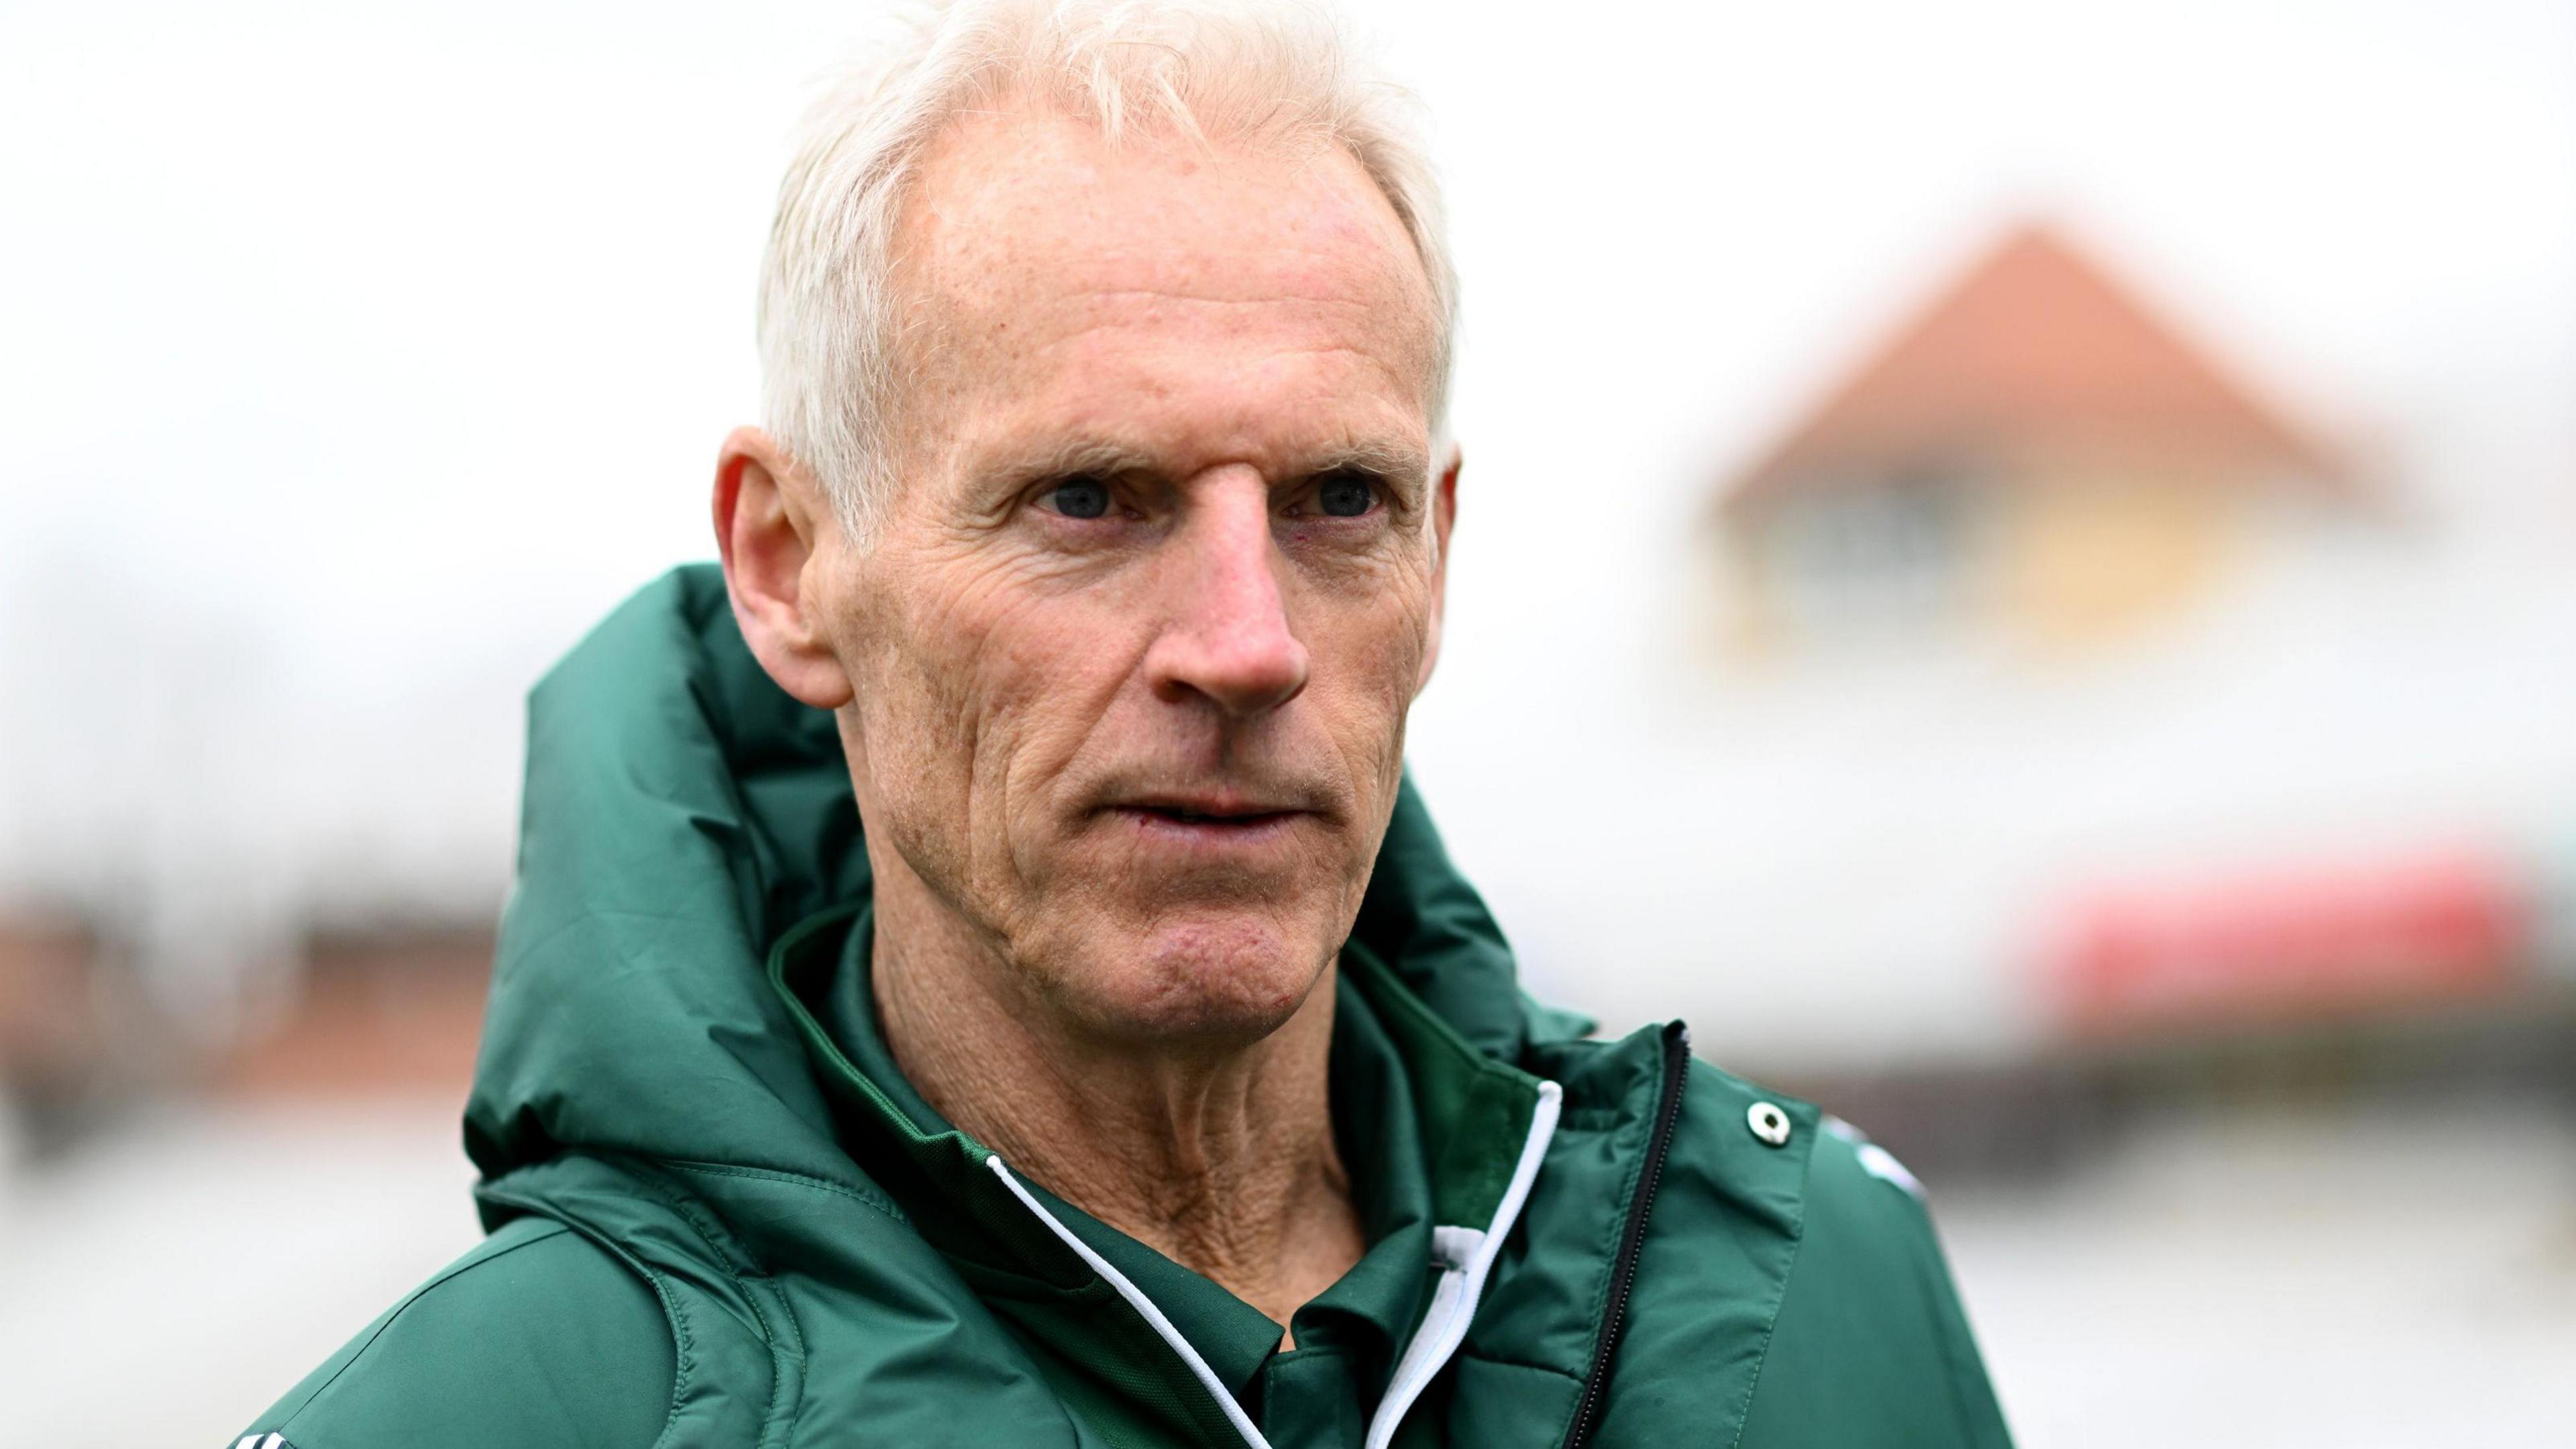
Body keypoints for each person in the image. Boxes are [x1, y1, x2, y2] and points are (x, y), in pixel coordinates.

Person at [233, 2, 2012, 1445]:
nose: (1249, 646)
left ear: (1445, 556)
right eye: (1089, 499)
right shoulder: (503, 1422)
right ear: (789, 566)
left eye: (1337, 504)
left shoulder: (1808, 1289)